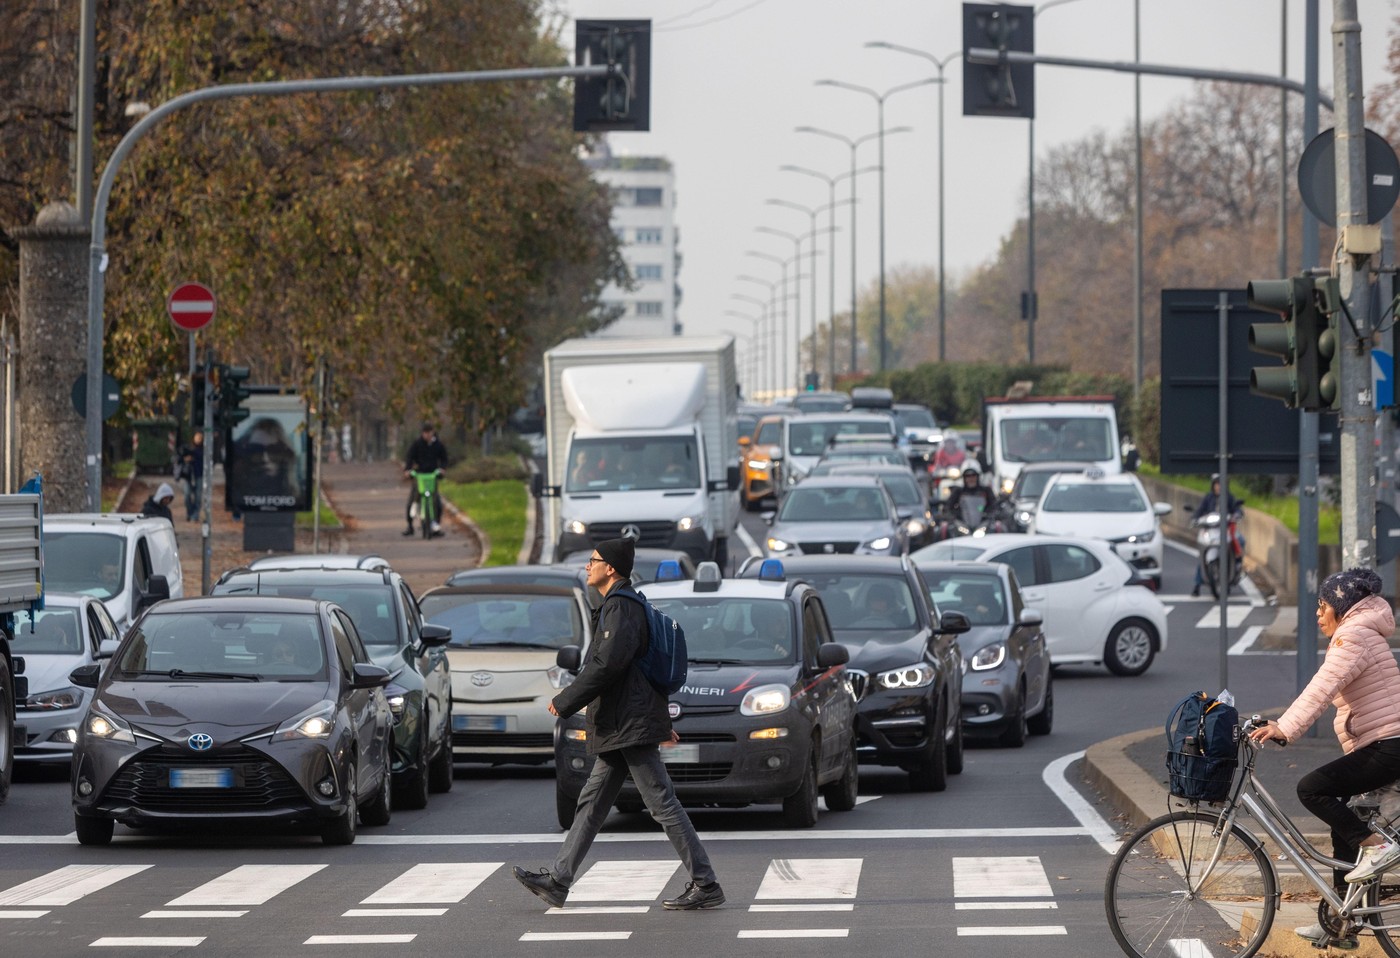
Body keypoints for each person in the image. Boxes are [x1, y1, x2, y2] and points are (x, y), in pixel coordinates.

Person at [513, 537, 723, 912]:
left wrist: (565, 701)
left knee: (662, 804)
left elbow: (607, 665)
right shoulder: (621, 606)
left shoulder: (621, 608)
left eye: (593, 560)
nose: (587, 566)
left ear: (610, 568)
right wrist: (657, 718)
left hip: (627, 724)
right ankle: (559, 881)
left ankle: (706, 883)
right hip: (623, 723)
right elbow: (637, 673)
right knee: (592, 803)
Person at [1248, 569, 1400, 947]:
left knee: (1312, 788)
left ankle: (1377, 847)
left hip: (1390, 746)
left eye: (1322, 606)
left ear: (1341, 607)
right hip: (1385, 744)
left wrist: (1286, 727)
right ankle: (1340, 924)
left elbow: (1322, 686)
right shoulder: (1361, 632)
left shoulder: (1354, 636)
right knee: (1343, 828)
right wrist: (1279, 723)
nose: (1318, 614)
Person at [1191, 474, 1245, 597]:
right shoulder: (1208, 498)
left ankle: (1237, 565)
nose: (1218, 487)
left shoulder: (1229, 498)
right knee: (1203, 554)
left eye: (1221, 484)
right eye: (1216, 484)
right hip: (1211, 531)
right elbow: (1200, 510)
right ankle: (1197, 584)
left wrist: (1236, 515)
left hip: (1226, 530)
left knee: (1240, 541)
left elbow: (1236, 509)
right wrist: (1195, 518)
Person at [403, 422, 449, 537]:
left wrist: (442, 469)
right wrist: (408, 470)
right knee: (412, 501)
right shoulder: (417, 444)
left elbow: (444, 458)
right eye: (425, 433)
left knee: (436, 502)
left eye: (429, 433)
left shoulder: (437, 445)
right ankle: (410, 525)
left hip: (432, 476)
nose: (427, 435)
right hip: (419, 476)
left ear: (433, 432)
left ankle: (435, 525)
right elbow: (410, 457)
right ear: (422, 433)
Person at [177, 431, 204, 521]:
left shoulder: (203, 450)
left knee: (198, 497)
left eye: (200, 438)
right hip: (188, 476)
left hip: (199, 475)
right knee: (187, 495)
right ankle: (189, 513)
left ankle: (195, 515)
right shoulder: (188, 448)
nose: (198, 439)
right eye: (197, 437)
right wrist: (186, 459)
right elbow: (180, 458)